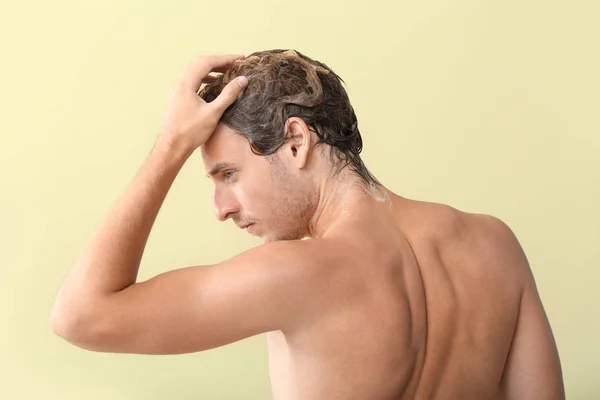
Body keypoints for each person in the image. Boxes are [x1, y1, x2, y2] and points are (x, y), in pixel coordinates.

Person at [50, 49, 565, 399]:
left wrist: (171, 144)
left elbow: (80, 316)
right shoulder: (495, 244)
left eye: (228, 174)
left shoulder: (293, 274)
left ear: (296, 141)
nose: (220, 208)